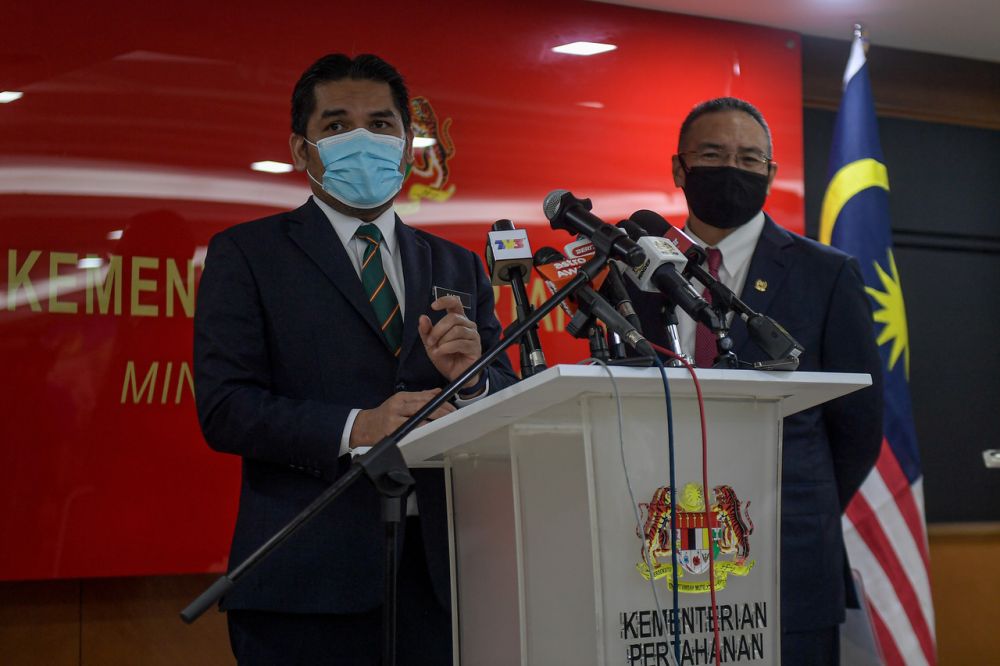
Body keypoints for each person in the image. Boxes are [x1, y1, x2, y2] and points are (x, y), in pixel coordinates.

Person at [193, 53, 518, 665]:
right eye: (337, 126)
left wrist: (471, 384)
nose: (362, 142)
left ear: (405, 146)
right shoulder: (249, 254)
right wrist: (358, 427)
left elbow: (503, 387)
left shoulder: (457, 263)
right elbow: (226, 407)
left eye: (382, 125)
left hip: (439, 581)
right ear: (301, 148)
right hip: (305, 582)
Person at [633, 97, 884, 664]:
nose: (733, 169)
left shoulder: (827, 273)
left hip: (785, 550)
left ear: (771, 174)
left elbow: (859, 426)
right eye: (714, 154)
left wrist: (784, 502)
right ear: (680, 168)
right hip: (651, 552)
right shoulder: (633, 269)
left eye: (750, 159)